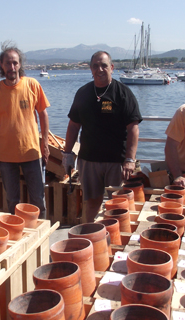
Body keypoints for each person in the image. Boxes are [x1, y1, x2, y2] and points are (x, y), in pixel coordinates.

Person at [62, 51, 142, 222]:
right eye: (96, 66)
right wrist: (67, 154)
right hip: (89, 160)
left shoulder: (123, 93)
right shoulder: (83, 93)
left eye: (104, 65)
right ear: (91, 69)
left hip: (117, 162)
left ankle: (116, 241)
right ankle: (90, 236)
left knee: (118, 204)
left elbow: (133, 128)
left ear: (112, 68)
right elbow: (73, 126)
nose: (100, 69)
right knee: (91, 203)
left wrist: (130, 159)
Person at [0, 44, 49, 218]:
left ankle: (40, 234)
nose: (11, 67)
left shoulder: (32, 85)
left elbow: (43, 115)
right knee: (13, 201)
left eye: (15, 63)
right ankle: (18, 236)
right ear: (1, 64)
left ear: (20, 64)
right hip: (6, 157)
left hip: (31, 153)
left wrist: (44, 144)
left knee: (38, 200)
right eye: (8, 63)